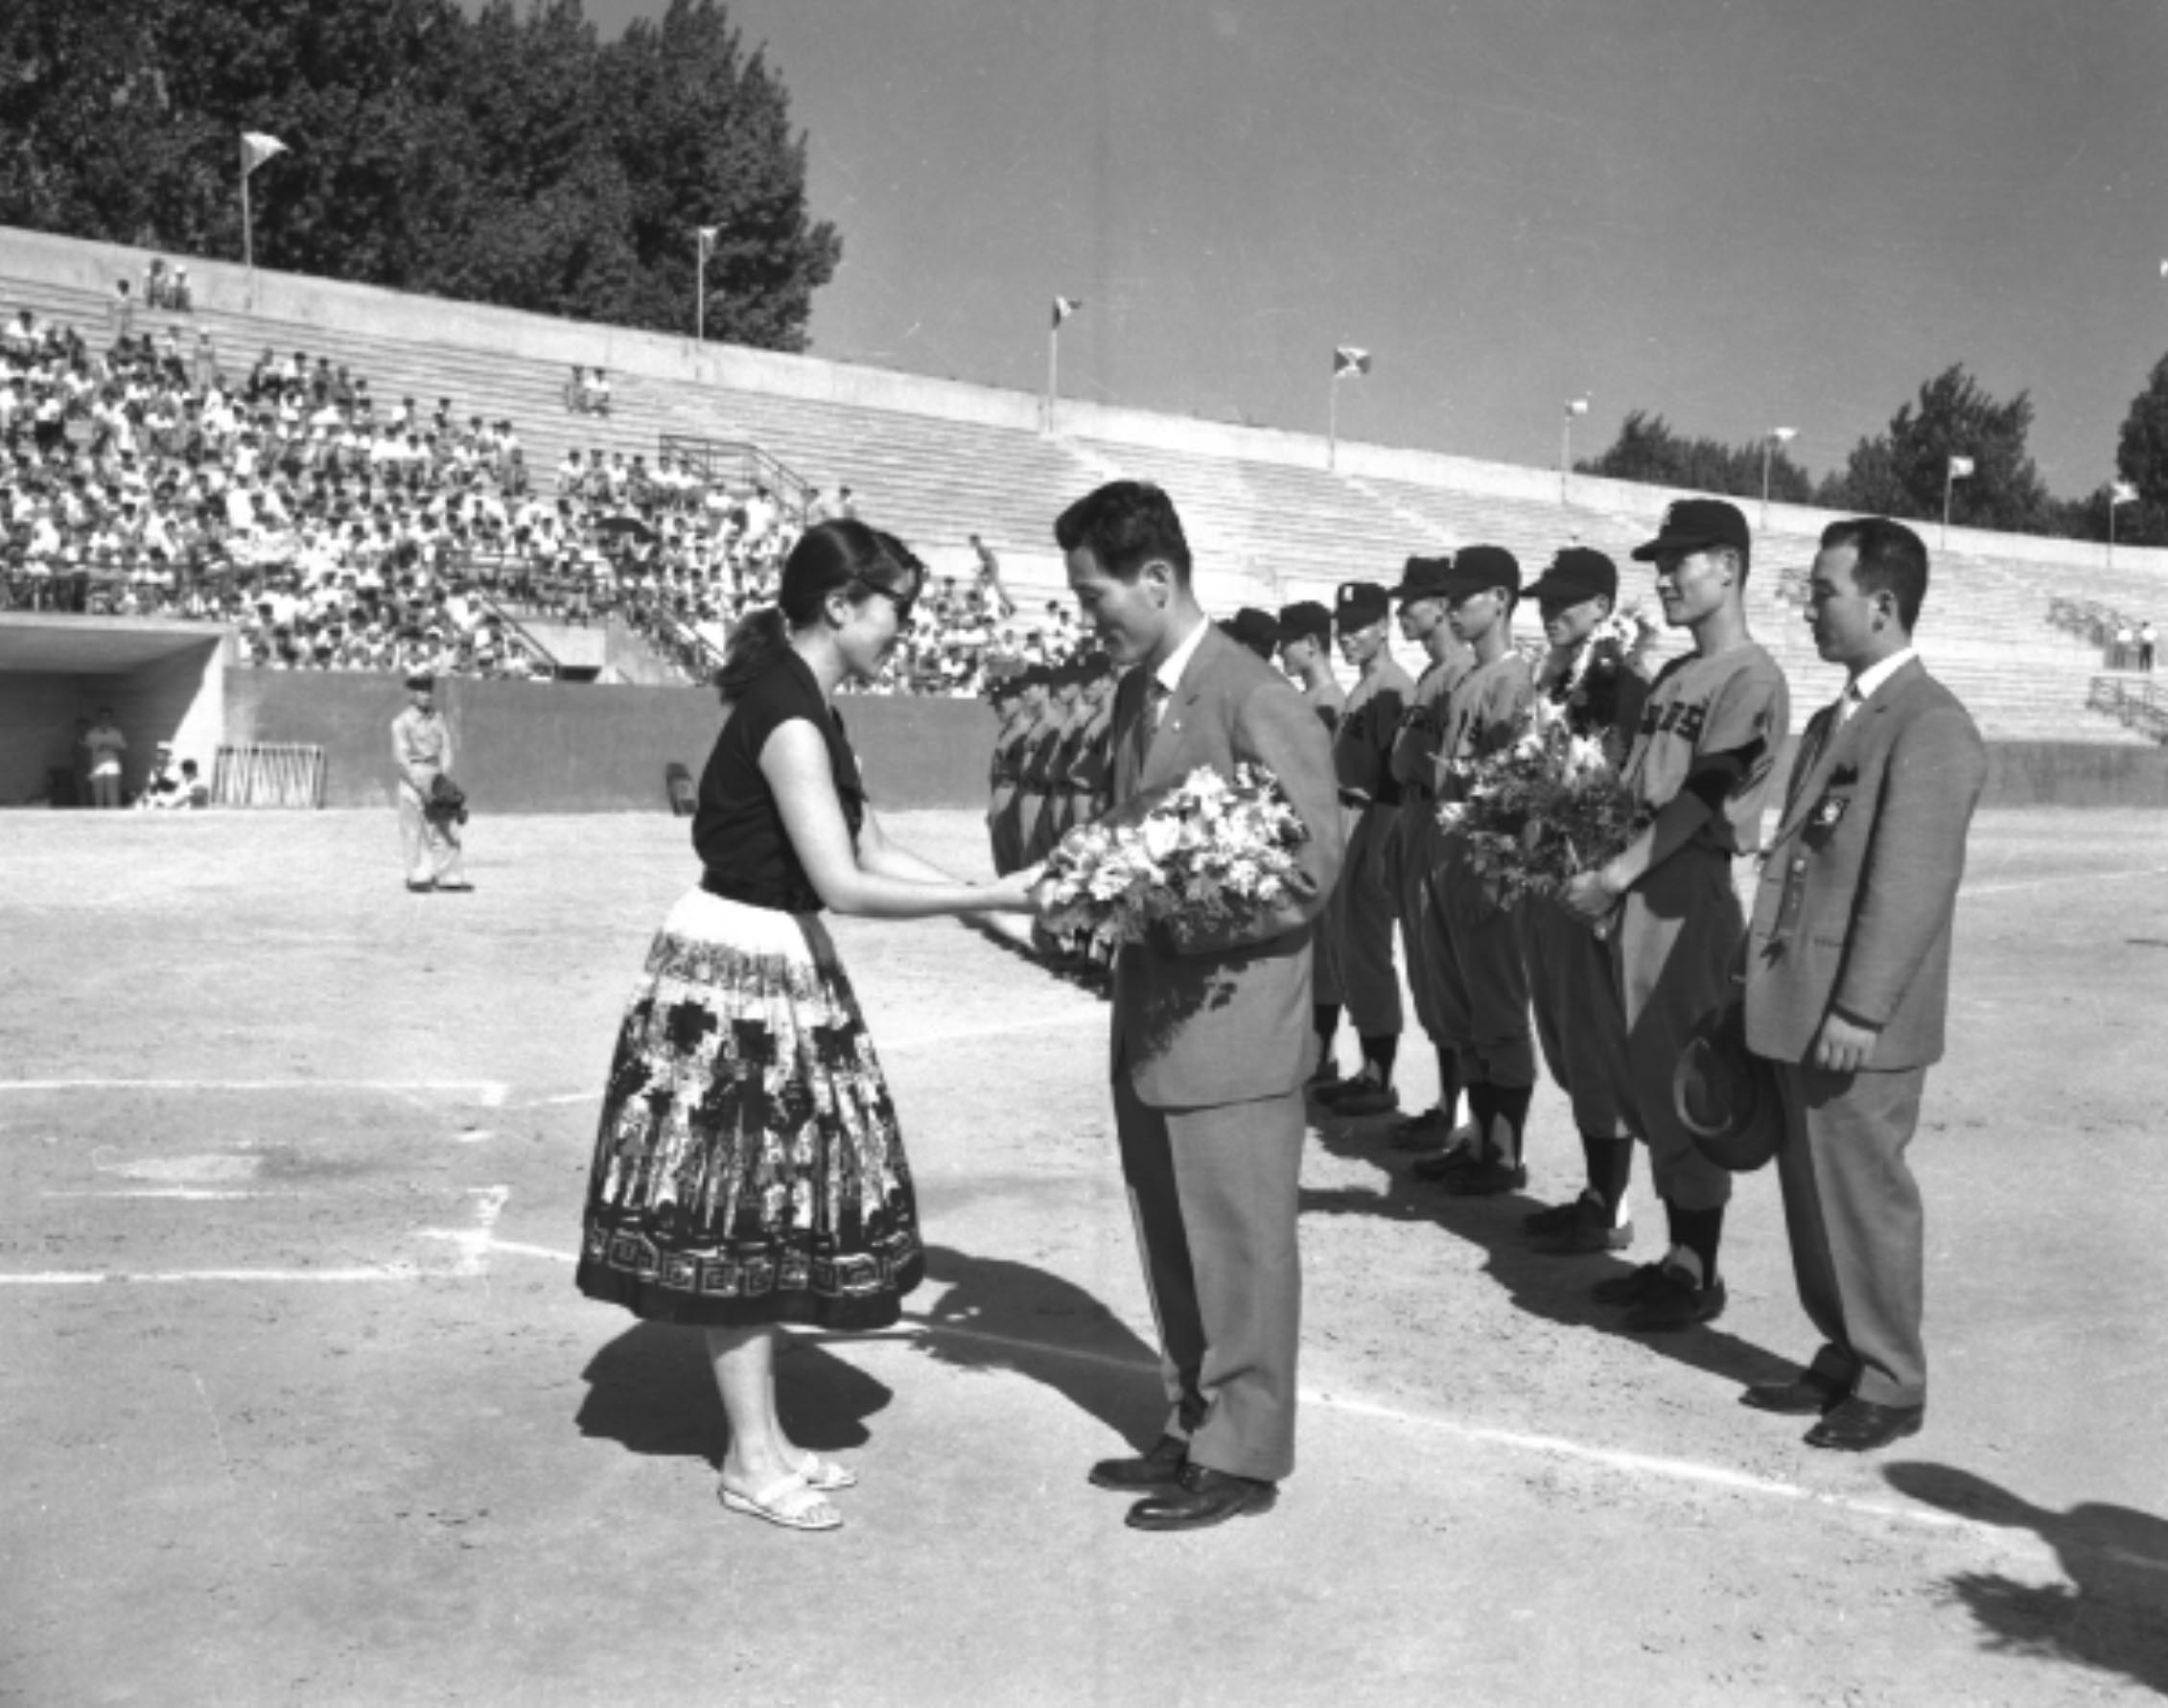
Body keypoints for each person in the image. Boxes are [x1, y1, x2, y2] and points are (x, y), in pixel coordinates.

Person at [575, 520, 1038, 1533]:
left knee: (770, 1201)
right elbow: (845, 882)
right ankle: (748, 1456)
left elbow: (876, 839)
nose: (901, 629)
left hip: (772, 963)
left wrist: (996, 901)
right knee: (739, 1206)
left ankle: (766, 1437)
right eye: (893, 610)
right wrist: (997, 893)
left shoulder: (811, 699)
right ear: (840, 606)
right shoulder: (789, 715)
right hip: (734, 973)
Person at [1053, 480, 1343, 1531]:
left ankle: (1244, 1449)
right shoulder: (1138, 694)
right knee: (1171, 1236)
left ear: (1158, 578)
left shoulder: (1253, 693)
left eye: (1097, 596)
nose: (1090, 617)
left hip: (1232, 1028)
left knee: (1238, 1245)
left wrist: (1178, 920)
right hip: (1155, 1022)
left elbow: (1309, 867)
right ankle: (1192, 1421)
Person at [1740, 517, 1985, 1452]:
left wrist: (1858, 1006)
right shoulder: (1831, 718)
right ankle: (1844, 1347)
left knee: (1862, 1190)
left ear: (1880, 604)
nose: (1808, 605)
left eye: (1822, 590)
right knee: (1814, 1193)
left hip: (1853, 1017)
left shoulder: (1929, 725)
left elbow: (1910, 884)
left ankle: (1892, 1374)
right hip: (1798, 1000)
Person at [1559, 498, 1790, 1331]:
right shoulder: (1670, 676)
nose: (1660, 576)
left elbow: (1704, 794)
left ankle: (1697, 1270)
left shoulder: (1751, 675)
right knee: (1634, 1072)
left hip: (1683, 888)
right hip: (1634, 881)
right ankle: (1673, 1254)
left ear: (1726, 567)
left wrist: (1616, 875)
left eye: (1680, 560)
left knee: (1682, 1074)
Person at [1520, 548, 1652, 1255]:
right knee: (1567, 1041)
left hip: (1590, 887)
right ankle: (1599, 1194)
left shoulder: (1620, 688)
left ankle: (1612, 1206)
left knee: (1596, 1045)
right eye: (1543, 600)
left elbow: (1626, 795)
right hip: (1551, 879)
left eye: (1565, 599)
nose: (1549, 612)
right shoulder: (1560, 684)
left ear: (1602, 607)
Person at [1421, 548, 1538, 1195]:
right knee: (1461, 1007)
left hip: (1486, 858)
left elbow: (1518, 789)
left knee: (1496, 1008)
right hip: (1449, 852)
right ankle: (1476, 1138)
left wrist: (1500, 871)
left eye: (1464, 597)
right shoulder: (1469, 676)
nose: (1453, 609)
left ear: (1498, 598)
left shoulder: (1514, 680)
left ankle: (1504, 1150)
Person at [1380, 555, 1475, 1165]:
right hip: (1414, 817)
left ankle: (1464, 1116)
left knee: (1452, 972)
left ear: (1440, 605)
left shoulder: (1462, 671)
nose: (1401, 611)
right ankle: (1448, 1105)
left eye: (1411, 600)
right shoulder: (1432, 674)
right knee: (1427, 973)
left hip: (1442, 821)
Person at [1314, 581, 1413, 1115]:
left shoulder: (1392, 687)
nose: (1345, 636)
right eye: (1341, 626)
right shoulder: (1364, 687)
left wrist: (1377, 850)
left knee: (1368, 950)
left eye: (1357, 625)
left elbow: (1392, 783)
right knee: (1347, 949)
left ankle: (1381, 1077)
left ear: (1384, 627)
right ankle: (1366, 1068)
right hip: (1345, 819)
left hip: (1369, 819)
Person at [390, 673, 471, 893]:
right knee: (414, 829)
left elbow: (446, 747)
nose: (426, 695)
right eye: (420, 690)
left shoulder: (438, 717)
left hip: (435, 773)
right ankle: (417, 877)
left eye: (428, 690)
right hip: (412, 776)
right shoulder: (401, 722)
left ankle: (450, 877)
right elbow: (401, 759)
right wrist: (420, 785)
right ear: (411, 695)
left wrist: (442, 777)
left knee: (446, 826)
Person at [84, 708, 128, 808]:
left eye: (108, 717)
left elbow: (123, 748)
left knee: (113, 795)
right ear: (98, 718)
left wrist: (111, 747)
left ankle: (114, 819)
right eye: (102, 716)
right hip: (96, 766)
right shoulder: (91, 733)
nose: (105, 719)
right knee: (97, 794)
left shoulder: (116, 732)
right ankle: (99, 819)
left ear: (111, 718)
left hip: (112, 766)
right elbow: (86, 749)